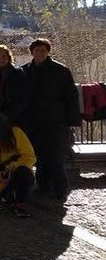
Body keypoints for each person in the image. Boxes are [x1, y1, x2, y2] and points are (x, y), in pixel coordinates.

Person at [21, 38, 80, 203]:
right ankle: (43, 186)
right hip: (34, 122)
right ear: (31, 52)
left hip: (56, 122)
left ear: (48, 52)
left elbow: (72, 97)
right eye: (37, 51)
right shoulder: (25, 71)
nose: (40, 53)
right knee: (39, 156)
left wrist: (71, 120)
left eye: (43, 51)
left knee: (56, 157)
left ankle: (61, 189)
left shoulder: (61, 70)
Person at [0, 44, 30, 128]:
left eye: (4, 56)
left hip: (17, 118)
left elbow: (24, 96)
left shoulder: (17, 73)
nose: (1, 59)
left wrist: (9, 114)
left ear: (8, 58)